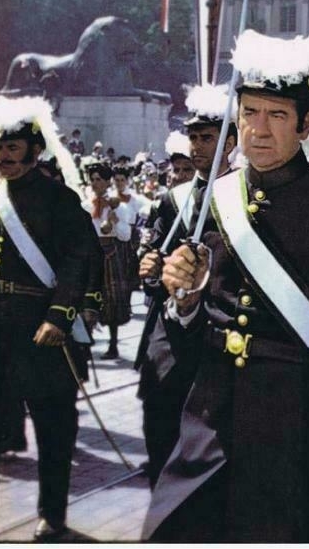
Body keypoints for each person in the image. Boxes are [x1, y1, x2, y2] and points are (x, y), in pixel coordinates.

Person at [142, 31, 309, 542]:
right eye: (250, 112)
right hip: (210, 418)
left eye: (276, 116)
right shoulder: (216, 200)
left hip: (299, 424)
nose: (258, 130)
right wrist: (184, 300)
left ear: (304, 125)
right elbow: (194, 323)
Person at [0, 95, 93, 541]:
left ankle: (53, 514)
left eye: (12, 148)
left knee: (54, 428)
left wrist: (59, 315)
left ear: (34, 150)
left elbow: (80, 260)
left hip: (43, 332)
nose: (2, 157)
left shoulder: (59, 199)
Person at [135, 85, 237, 489]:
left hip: (218, 337)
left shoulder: (247, 195)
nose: (196, 147)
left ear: (230, 141)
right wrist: (150, 269)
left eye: (207, 138)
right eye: (193, 138)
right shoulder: (174, 198)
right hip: (170, 336)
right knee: (159, 429)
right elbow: (156, 258)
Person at [82, 163, 134, 359]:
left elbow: (126, 236)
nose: (95, 183)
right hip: (90, 254)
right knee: (88, 297)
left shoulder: (119, 206)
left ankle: (113, 345)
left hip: (109, 254)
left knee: (110, 299)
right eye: (92, 179)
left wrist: (115, 222)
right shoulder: (86, 205)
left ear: (106, 181)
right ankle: (86, 344)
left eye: (99, 179)